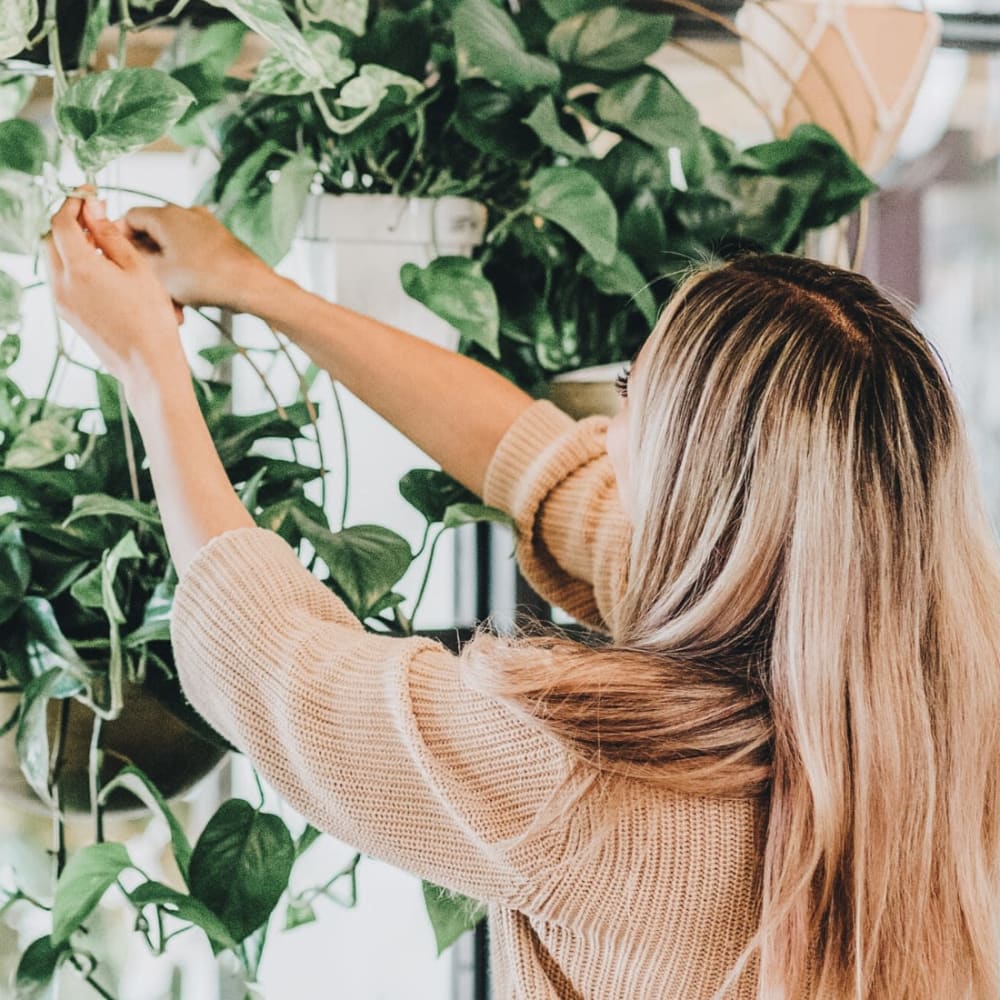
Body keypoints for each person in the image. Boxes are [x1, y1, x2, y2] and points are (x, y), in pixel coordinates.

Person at [45, 193, 1000, 1000]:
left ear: (695, 484)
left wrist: (146, 366)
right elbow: (540, 466)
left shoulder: (596, 778)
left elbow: (272, 662)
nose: (612, 430)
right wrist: (260, 290)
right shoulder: (941, 681)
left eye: (636, 393)